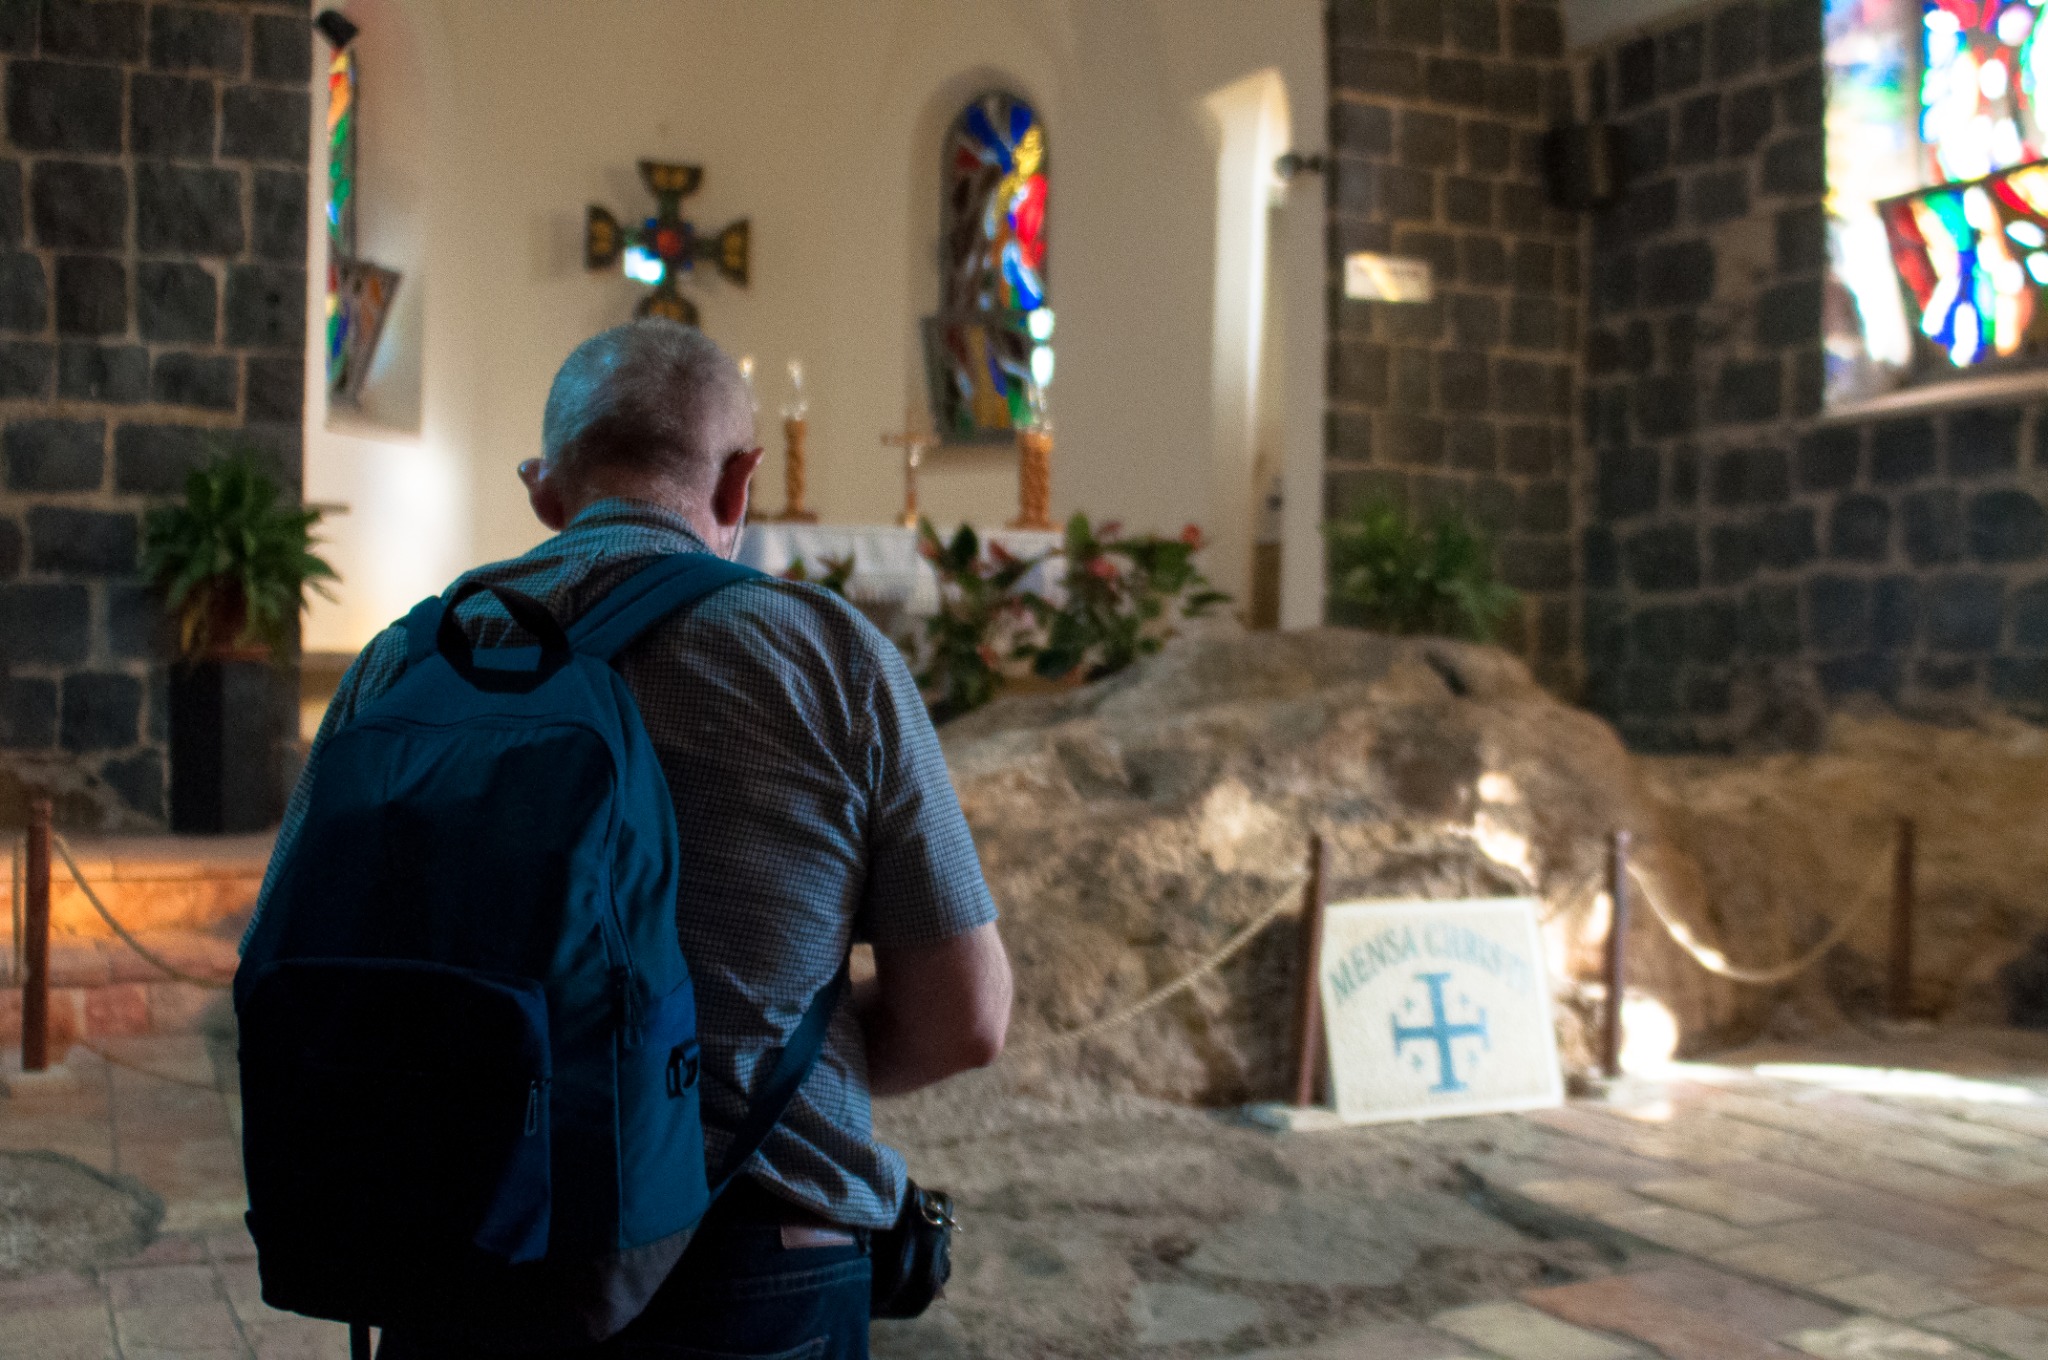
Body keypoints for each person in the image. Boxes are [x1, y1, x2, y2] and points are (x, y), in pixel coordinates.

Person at [261, 319, 1013, 1359]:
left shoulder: (402, 662)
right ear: (742, 481)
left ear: (542, 489)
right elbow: (966, 1017)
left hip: (470, 1244)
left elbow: (303, 953)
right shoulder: (831, 657)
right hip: (756, 1260)